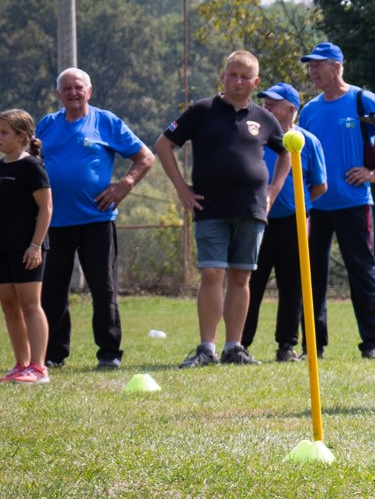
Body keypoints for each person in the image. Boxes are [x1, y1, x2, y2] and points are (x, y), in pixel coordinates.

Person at [155, 51, 285, 367]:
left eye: (244, 77)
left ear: (256, 82)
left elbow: (286, 154)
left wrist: (272, 191)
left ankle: (234, 347)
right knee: (212, 272)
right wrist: (182, 189)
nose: (237, 81)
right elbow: (163, 145)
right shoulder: (201, 111)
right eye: (232, 75)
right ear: (223, 76)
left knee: (241, 278)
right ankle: (206, 349)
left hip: (252, 208)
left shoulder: (265, 118)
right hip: (210, 206)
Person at [36, 68, 153, 370]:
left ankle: (109, 353)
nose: (73, 93)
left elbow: (145, 157)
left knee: (103, 289)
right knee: (52, 291)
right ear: (58, 94)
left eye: (78, 88)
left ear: (90, 91)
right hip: (55, 222)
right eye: (67, 89)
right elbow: (33, 161)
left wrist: (124, 185)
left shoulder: (106, 122)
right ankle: (54, 353)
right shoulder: (47, 125)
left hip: (96, 220)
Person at [296, 42, 375, 360]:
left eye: (318, 65)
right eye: (310, 66)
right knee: (311, 275)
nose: (312, 71)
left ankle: (372, 344)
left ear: (337, 66)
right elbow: (303, 159)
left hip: (355, 204)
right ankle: (312, 347)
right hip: (316, 208)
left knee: (362, 272)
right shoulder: (309, 111)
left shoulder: (362, 100)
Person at [241, 84, 327, 361]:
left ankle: (286, 346)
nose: (267, 106)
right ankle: (240, 344)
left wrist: (296, 205)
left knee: (293, 286)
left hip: (294, 224)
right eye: (265, 102)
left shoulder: (307, 141)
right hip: (257, 220)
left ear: (291, 108)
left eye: (274, 103)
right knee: (250, 282)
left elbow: (320, 185)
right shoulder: (255, 136)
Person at [0, 110, 52, 383]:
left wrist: (35, 245)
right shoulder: (1, 166)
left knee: (30, 305)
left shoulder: (32, 166)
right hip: (3, 248)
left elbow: (46, 209)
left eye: (4, 133)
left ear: (22, 137)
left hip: (27, 249)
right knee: (9, 305)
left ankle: (39, 367)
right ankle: (21, 364)